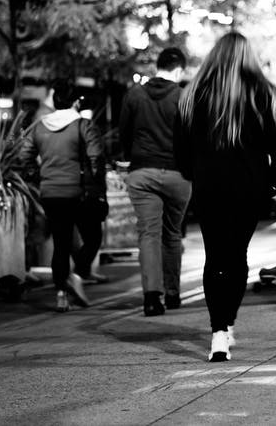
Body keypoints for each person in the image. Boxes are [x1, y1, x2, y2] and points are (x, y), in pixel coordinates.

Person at [175, 32, 276, 362]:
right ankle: (228, 325)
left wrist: (192, 173)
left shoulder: (192, 94)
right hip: (248, 185)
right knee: (237, 253)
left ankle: (217, 332)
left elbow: (180, 147)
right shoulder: (265, 92)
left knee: (215, 256)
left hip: (208, 185)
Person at [119, 47, 192, 316]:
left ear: (157, 66)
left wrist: (131, 156)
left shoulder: (134, 95)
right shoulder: (184, 97)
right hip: (177, 175)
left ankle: (152, 297)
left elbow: (124, 134)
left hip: (142, 173)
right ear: (179, 70)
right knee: (172, 233)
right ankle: (173, 293)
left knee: (148, 234)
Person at [25, 82, 106, 312]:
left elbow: (24, 156)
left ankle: (61, 295)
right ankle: (78, 274)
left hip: (50, 193)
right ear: (75, 102)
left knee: (60, 244)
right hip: (78, 192)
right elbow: (96, 159)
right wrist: (98, 187)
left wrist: (39, 176)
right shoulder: (83, 125)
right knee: (92, 237)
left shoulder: (39, 127)